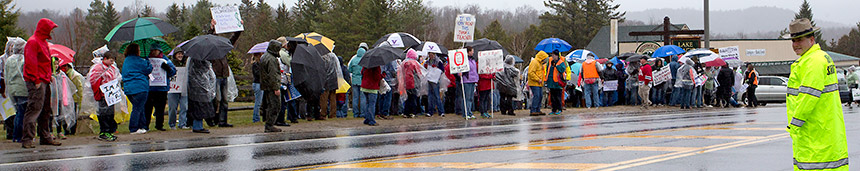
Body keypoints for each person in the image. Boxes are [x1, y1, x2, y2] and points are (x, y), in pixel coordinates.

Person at [782, 18, 849, 170]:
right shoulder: (820, 58)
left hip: (814, 135)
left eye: (799, 40)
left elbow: (807, 98)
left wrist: (794, 127)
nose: (795, 45)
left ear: (811, 40)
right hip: (823, 131)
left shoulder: (813, 62)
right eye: (793, 41)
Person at [21, 18, 61, 148]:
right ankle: (27, 138)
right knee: (34, 109)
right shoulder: (33, 42)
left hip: (44, 79)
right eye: (50, 29)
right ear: (44, 28)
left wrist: (48, 76)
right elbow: (31, 62)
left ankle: (45, 136)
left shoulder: (42, 42)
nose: (52, 32)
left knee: (45, 110)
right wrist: (36, 79)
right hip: (37, 80)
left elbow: (45, 62)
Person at [208, 19, 242, 128]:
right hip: (216, 75)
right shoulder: (211, 49)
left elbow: (233, 39)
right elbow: (208, 38)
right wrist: (212, 28)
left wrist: (238, 28)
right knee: (216, 99)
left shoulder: (224, 48)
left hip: (224, 75)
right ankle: (213, 119)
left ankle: (223, 121)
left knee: (224, 100)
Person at [88, 51, 120, 141]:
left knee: (110, 113)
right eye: (111, 60)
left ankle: (109, 131)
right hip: (102, 94)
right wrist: (97, 93)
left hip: (111, 95)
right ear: (105, 59)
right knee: (104, 113)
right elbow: (94, 81)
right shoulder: (98, 68)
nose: (112, 63)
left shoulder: (112, 68)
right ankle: (104, 132)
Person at [121, 43, 153, 134]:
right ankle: (134, 127)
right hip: (140, 87)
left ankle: (143, 126)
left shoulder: (126, 61)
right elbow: (148, 69)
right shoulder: (139, 61)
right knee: (137, 108)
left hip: (129, 88)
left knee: (139, 107)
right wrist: (148, 62)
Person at [144, 45, 176, 132]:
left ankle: (159, 125)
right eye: (152, 50)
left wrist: (168, 69)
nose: (154, 52)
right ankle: (146, 125)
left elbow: (173, 71)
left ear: (160, 51)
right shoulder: (146, 59)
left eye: (156, 50)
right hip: (150, 88)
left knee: (160, 108)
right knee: (147, 108)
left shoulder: (165, 60)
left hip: (162, 87)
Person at [186, 54, 216, 134]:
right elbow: (202, 70)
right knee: (199, 107)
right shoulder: (197, 59)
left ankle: (198, 125)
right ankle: (197, 126)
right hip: (198, 87)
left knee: (199, 107)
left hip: (196, 87)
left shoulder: (193, 59)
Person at [4, 37, 26, 142]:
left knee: (18, 112)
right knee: (22, 113)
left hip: (13, 89)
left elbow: (6, 75)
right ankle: (19, 135)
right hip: (22, 89)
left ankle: (15, 135)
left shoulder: (9, 60)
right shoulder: (23, 60)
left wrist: (7, 89)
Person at [260, 40, 284, 132]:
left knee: (269, 105)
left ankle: (268, 123)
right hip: (271, 86)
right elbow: (273, 74)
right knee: (275, 105)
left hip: (266, 85)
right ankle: (270, 124)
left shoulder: (264, 56)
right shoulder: (272, 59)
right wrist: (276, 87)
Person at [398, 49, 424, 118]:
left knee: (408, 98)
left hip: (406, 83)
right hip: (413, 83)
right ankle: (413, 112)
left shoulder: (404, 63)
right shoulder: (414, 63)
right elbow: (419, 73)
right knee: (413, 98)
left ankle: (406, 112)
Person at [168, 48, 189, 129]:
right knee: (173, 108)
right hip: (173, 89)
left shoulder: (186, 64)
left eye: (181, 54)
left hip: (183, 89)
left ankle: (182, 123)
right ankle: (172, 124)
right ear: (175, 55)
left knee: (184, 107)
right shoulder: (170, 64)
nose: (180, 55)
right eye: (178, 54)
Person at [347, 43, 367, 118]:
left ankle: (355, 113)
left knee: (355, 97)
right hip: (362, 80)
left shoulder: (354, 59)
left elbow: (349, 69)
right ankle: (362, 113)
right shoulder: (365, 60)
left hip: (354, 81)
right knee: (363, 98)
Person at [527, 51, 548, 116]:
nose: (545, 60)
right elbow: (531, 73)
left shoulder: (539, 63)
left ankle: (538, 110)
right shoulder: (534, 62)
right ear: (542, 57)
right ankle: (533, 110)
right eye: (544, 58)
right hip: (534, 83)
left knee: (540, 96)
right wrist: (537, 79)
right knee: (537, 96)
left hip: (539, 83)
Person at [424, 52, 445, 117]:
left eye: (431, 55)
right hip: (430, 79)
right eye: (429, 55)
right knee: (430, 96)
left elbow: (442, 70)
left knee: (436, 96)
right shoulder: (428, 61)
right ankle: (431, 111)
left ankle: (440, 111)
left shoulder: (438, 61)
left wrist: (436, 69)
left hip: (435, 80)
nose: (430, 56)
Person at [320, 53, 340, 119]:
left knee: (324, 98)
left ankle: (323, 114)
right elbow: (337, 67)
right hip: (334, 78)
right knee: (333, 98)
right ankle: (333, 114)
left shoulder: (323, 57)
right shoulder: (333, 56)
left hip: (325, 79)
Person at [476, 50, 495, 118]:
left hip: (488, 84)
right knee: (482, 98)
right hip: (483, 84)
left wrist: (493, 75)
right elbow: (481, 75)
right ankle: (482, 112)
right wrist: (490, 76)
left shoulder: (488, 64)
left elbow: (492, 71)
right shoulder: (479, 65)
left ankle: (485, 111)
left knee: (486, 98)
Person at [250, 51, 263, 123]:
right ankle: (255, 118)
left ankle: (257, 117)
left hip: (259, 83)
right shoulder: (255, 65)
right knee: (258, 102)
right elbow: (257, 74)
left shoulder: (259, 64)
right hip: (257, 83)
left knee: (259, 102)